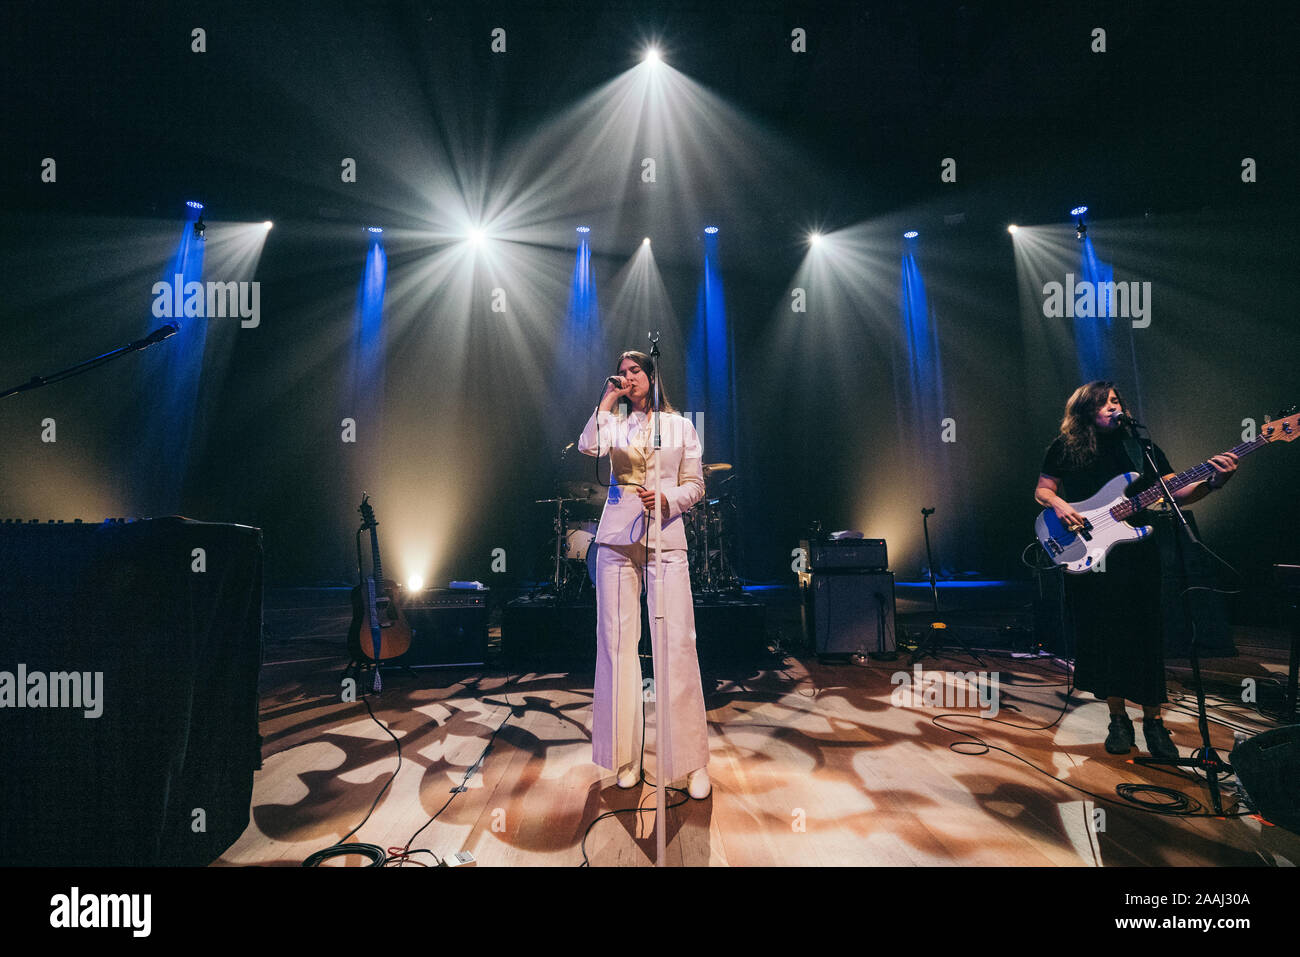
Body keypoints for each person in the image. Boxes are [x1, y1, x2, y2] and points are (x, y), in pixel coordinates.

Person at [1034, 381, 1238, 758]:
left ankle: (1154, 723)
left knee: (1146, 635)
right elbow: (1043, 490)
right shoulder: (1066, 447)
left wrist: (1215, 481)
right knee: (1105, 635)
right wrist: (1061, 506)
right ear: (1085, 411)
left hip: (1138, 555)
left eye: (1116, 401)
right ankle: (1118, 719)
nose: (1114, 407)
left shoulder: (1139, 446)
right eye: (1104, 403)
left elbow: (1176, 492)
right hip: (1092, 555)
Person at [577, 350, 711, 798]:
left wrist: (669, 499)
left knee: (677, 644)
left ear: (652, 375)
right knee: (616, 647)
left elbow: (696, 484)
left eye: (636, 371)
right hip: (616, 541)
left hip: (665, 538)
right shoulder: (613, 421)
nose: (628, 377)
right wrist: (606, 400)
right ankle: (624, 757)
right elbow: (588, 446)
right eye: (623, 372)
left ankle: (690, 764)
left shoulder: (680, 426)